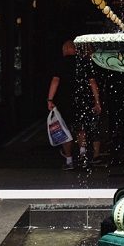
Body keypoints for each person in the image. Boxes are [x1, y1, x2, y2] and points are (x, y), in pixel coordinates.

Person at [47, 40, 102, 170]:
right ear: (75, 50)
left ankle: (69, 161)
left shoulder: (60, 63)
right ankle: (83, 154)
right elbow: (92, 82)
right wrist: (97, 101)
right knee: (81, 127)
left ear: (65, 49)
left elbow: (55, 81)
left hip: (65, 101)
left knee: (65, 130)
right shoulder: (84, 62)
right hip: (83, 100)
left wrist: (50, 99)